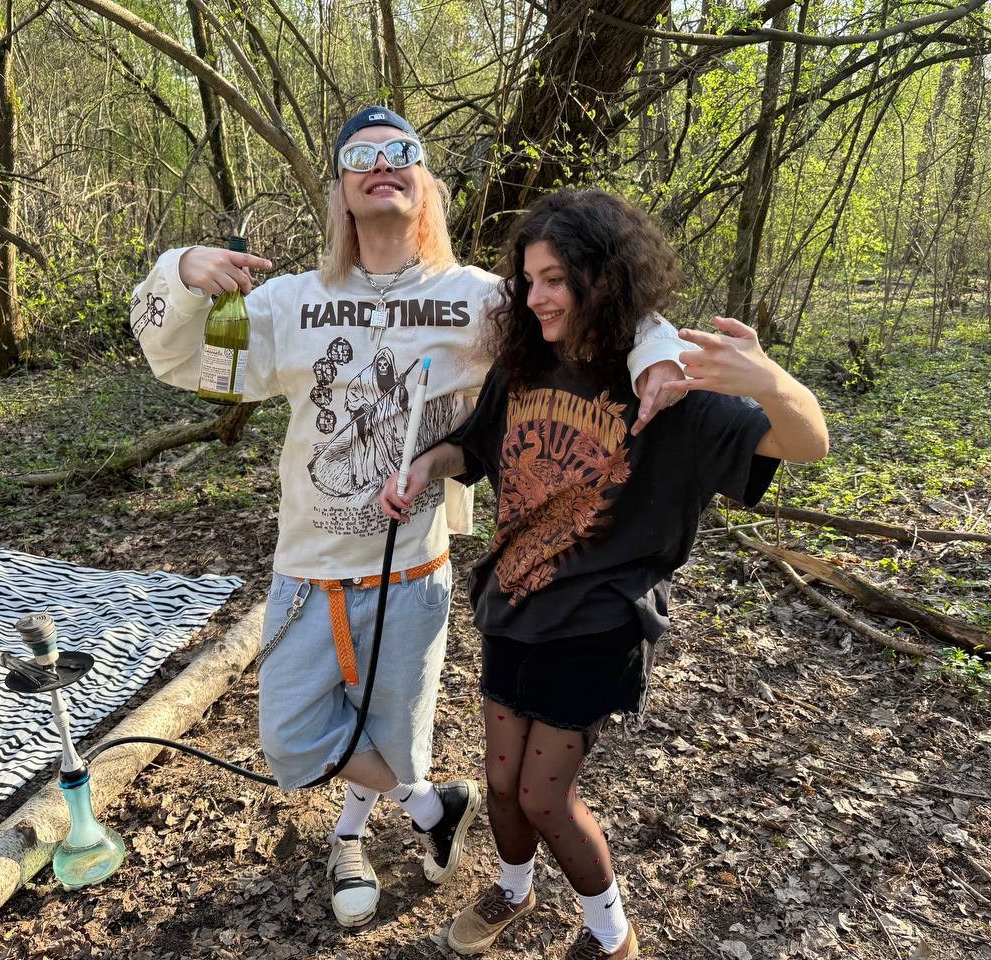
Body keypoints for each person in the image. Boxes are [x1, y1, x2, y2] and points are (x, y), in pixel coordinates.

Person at [129, 107, 694, 930]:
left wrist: (658, 353)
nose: (381, 164)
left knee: (393, 735)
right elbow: (179, 358)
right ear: (341, 191)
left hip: (412, 567)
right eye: (360, 156)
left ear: (423, 184)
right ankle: (433, 807)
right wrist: (181, 270)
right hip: (310, 567)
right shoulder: (293, 302)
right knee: (292, 741)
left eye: (401, 152)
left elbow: (598, 308)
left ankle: (352, 837)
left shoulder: (478, 300)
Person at [379, 189, 829, 958]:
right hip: (514, 604)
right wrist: (428, 464)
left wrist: (768, 381)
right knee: (499, 782)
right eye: (529, 280)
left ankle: (610, 932)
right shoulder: (525, 365)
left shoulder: (669, 390)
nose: (536, 297)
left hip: (599, 623)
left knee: (542, 794)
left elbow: (808, 443)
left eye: (555, 279)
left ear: (605, 278)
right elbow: (477, 447)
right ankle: (514, 888)